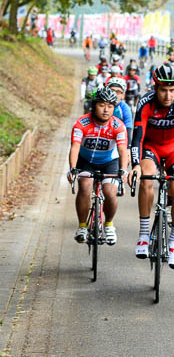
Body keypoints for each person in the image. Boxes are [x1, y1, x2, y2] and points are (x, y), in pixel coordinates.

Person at [128, 65, 174, 269]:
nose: (168, 95)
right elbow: (137, 138)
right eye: (163, 90)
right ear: (156, 88)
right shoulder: (145, 103)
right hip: (151, 147)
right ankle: (143, 234)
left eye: (172, 90)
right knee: (146, 178)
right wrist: (136, 165)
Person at [67, 88, 129, 245]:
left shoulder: (118, 126)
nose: (106, 109)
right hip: (86, 160)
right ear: (94, 106)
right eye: (102, 105)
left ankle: (109, 224)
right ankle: (82, 226)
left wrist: (123, 170)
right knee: (85, 185)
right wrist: (73, 168)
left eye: (110, 105)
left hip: (110, 162)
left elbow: (122, 150)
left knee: (109, 192)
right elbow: (75, 146)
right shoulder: (82, 123)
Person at [105, 76, 134, 145]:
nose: (114, 94)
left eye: (118, 92)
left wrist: (128, 147)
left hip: (117, 140)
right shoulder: (101, 105)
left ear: (123, 95)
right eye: (112, 90)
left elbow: (128, 129)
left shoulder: (125, 109)